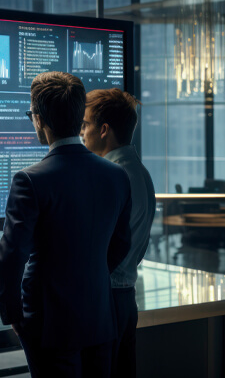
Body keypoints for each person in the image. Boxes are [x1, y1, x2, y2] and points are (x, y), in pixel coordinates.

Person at [0, 71, 132, 378]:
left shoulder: (30, 180)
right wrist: (89, 276)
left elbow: (10, 257)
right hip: (99, 316)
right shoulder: (117, 176)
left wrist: (13, 314)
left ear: (39, 118)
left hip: (48, 322)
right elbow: (122, 243)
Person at [80, 88, 156, 378]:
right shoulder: (140, 172)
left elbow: (98, 246)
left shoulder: (111, 177)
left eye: (85, 125)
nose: (81, 132)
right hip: (124, 299)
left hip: (105, 300)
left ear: (104, 130)